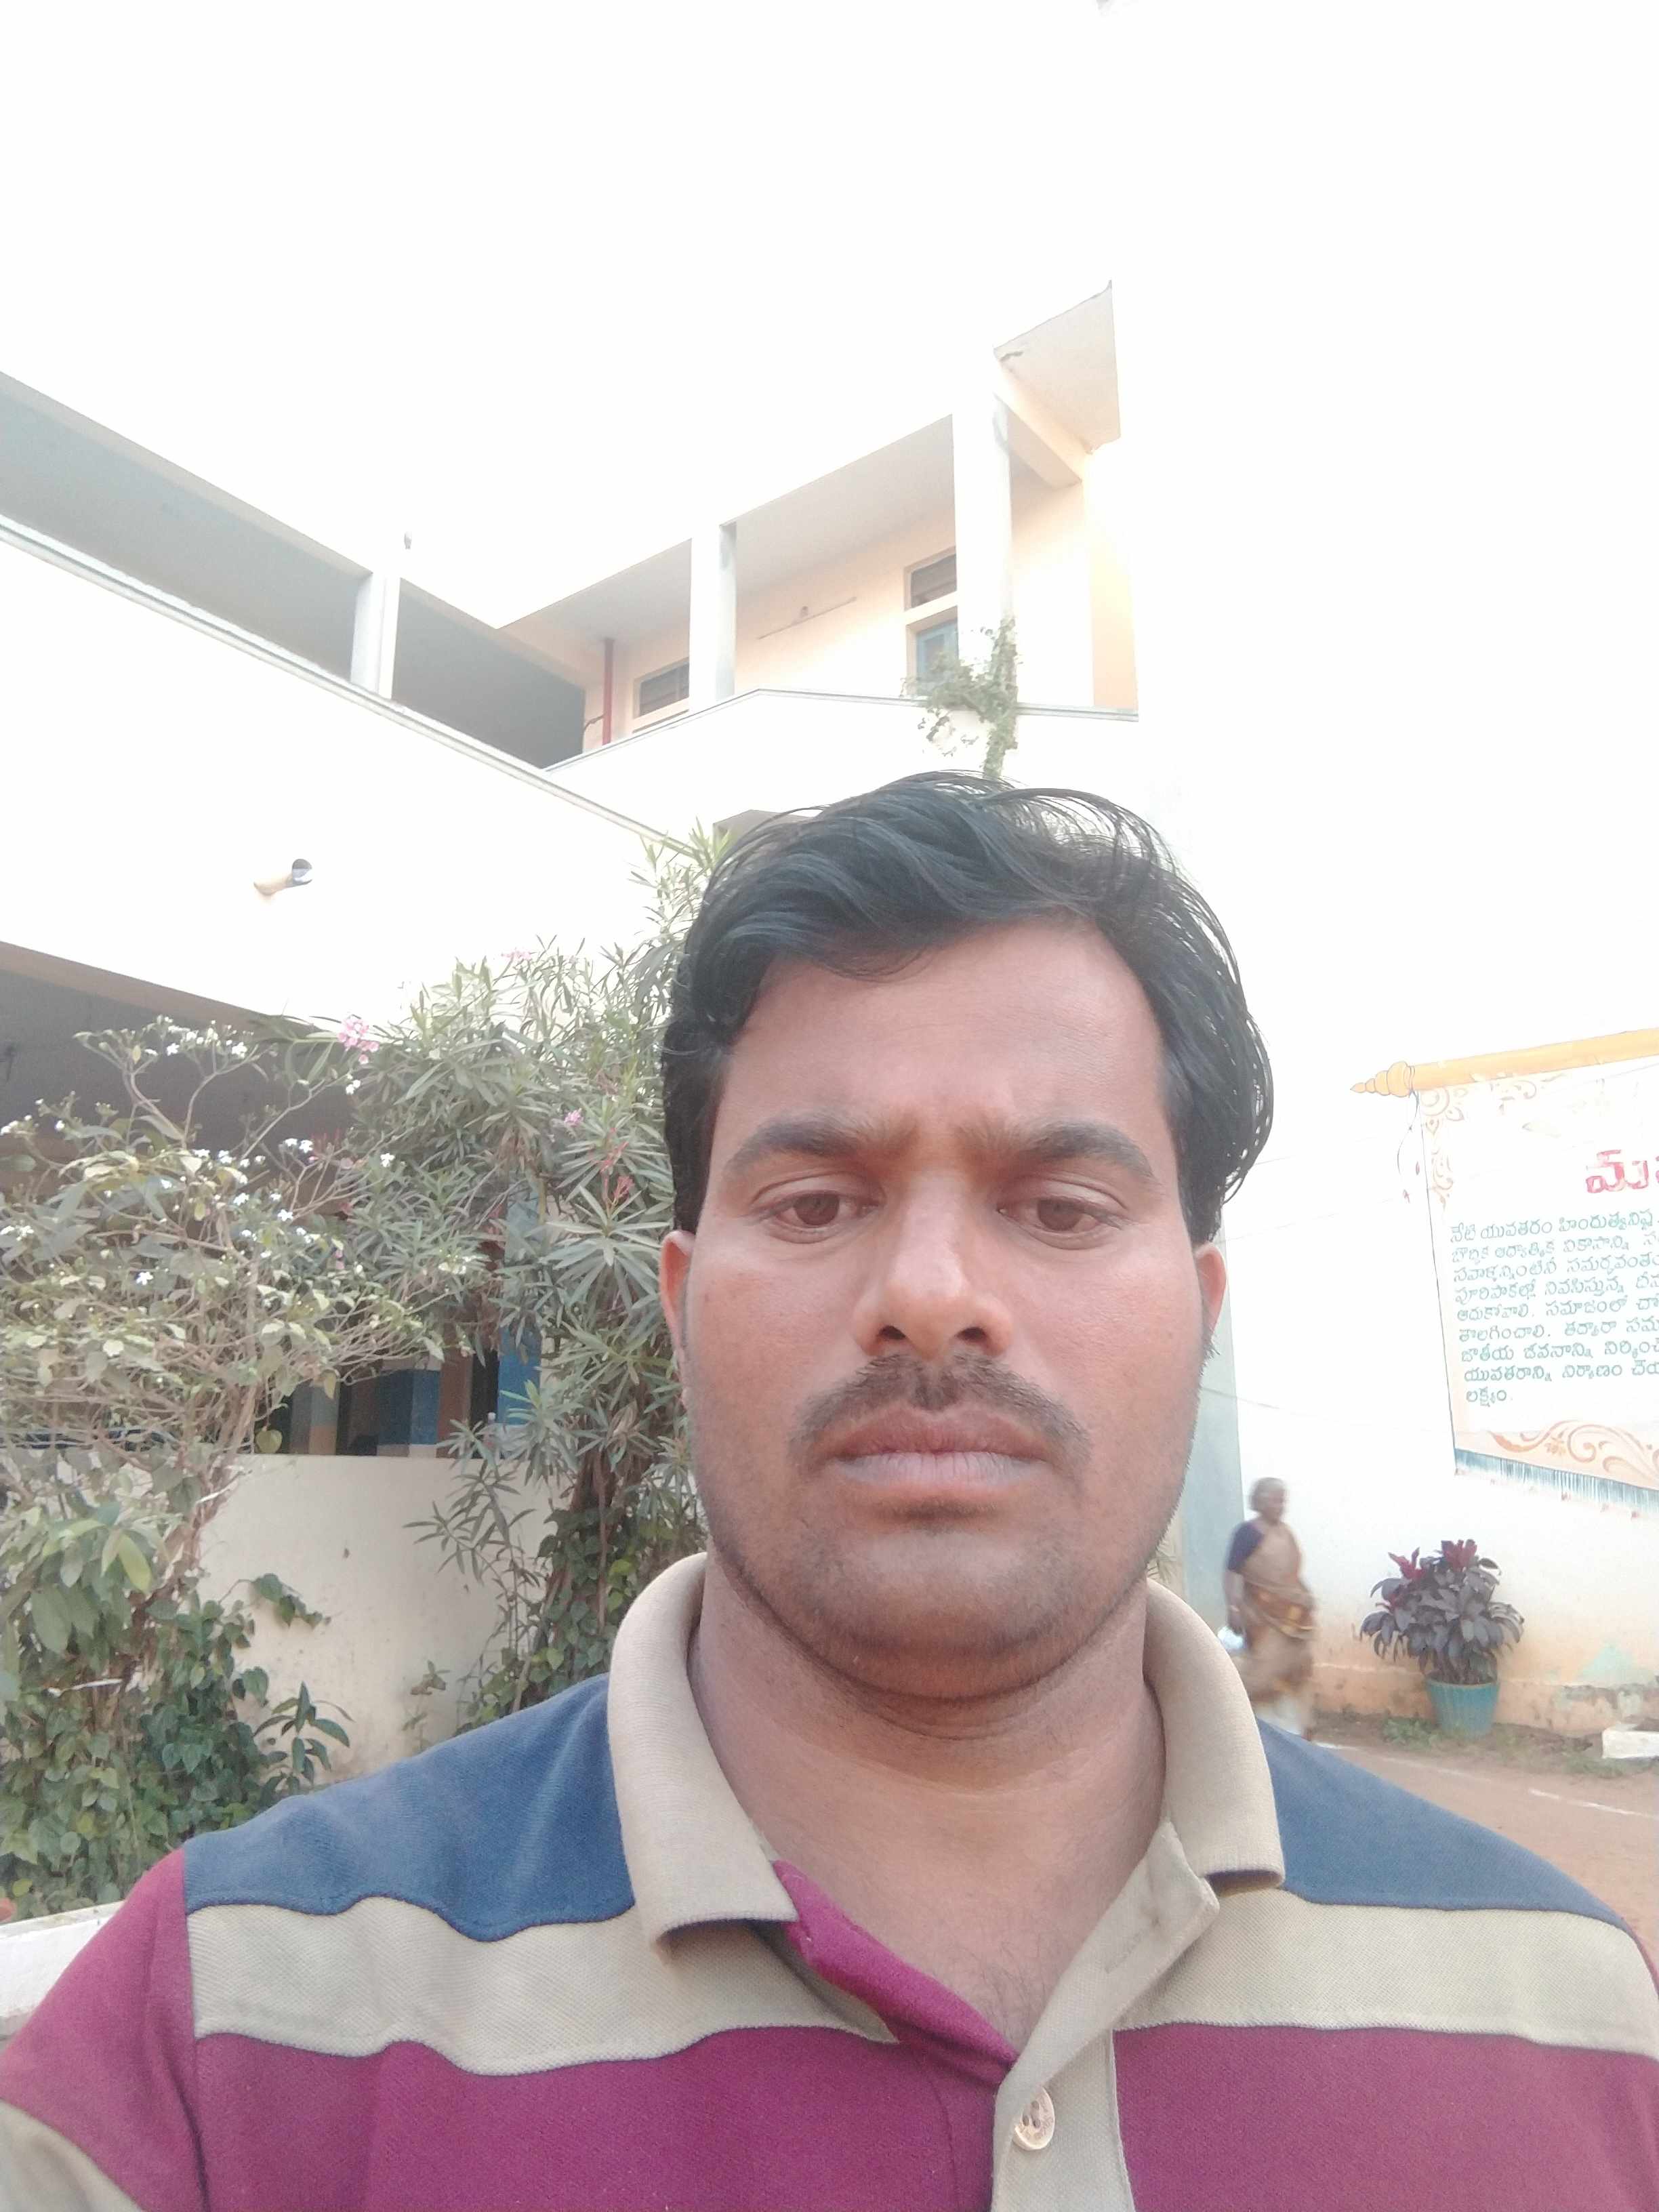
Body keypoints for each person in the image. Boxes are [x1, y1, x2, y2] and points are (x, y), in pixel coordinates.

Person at [2, 773, 1655, 2211]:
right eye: (811, 1202)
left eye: (1060, 1207)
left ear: (1199, 1315)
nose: (930, 1295)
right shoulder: (223, 2036)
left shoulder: (1582, 2023)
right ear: (680, 1303)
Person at [1223, 1476, 1317, 1737]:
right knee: (1264, 1668)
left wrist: (1304, 1596)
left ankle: (1296, 1730)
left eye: (1283, 1501)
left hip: (1294, 1617)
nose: (1281, 1506)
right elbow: (1232, 1572)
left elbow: (1291, 1573)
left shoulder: (1286, 1533)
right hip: (1262, 1616)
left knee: (1297, 1668)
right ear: (1260, 1502)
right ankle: (1234, 1719)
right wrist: (1233, 1608)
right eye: (1275, 1501)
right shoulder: (1247, 1534)